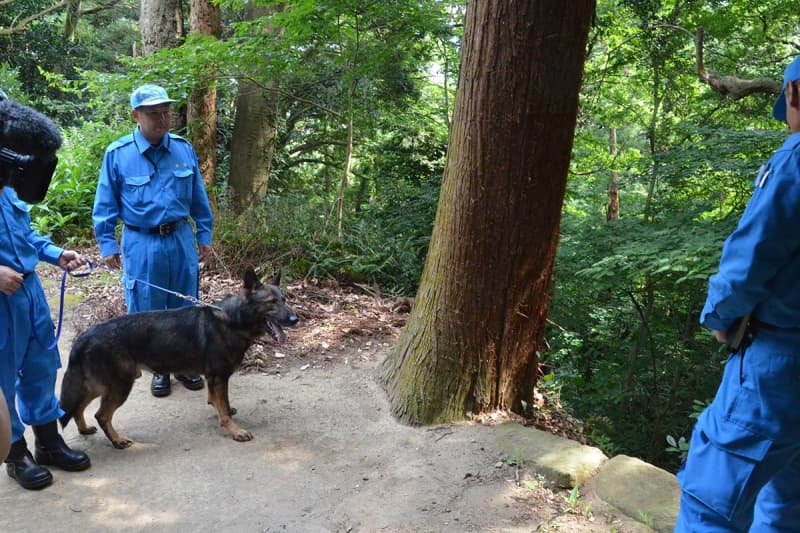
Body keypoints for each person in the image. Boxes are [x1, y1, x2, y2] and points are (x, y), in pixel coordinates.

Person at [675, 55, 800, 531]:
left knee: (712, 502)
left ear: (794, 93)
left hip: (776, 365)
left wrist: (720, 318)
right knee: (787, 505)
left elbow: (750, 256)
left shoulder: (795, 160)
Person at [93, 84, 214, 398]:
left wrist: (205, 234)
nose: (162, 118)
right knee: (147, 309)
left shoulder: (183, 149)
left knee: (185, 306)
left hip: (180, 239)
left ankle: (186, 365)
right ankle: (158, 369)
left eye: (165, 112)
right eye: (153, 113)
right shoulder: (118, 155)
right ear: (136, 115)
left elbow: (199, 197)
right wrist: (107, 243)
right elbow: (105, 204)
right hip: (141, 242)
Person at [0, 184, 91, 490]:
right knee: (2, 380)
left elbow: (24, 238)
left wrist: (57, 254)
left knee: (41, 368)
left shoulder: (8, 187)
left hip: (30, 291)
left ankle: (48, 443)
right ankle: (15, 454)